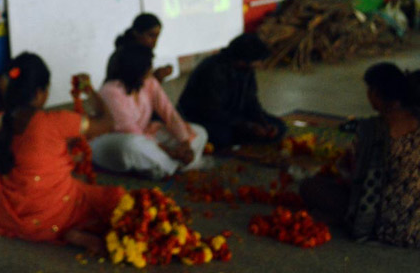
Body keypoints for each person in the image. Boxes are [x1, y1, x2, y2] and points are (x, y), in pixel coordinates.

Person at [0, 53, 125, 251]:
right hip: (51, 216)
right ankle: (69, 229)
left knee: (73, 181)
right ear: (38, 93)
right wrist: (90, 90)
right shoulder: (55, 121)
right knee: (114, 197)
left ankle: (69, 229)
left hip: (8, 218)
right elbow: (107, 123)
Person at [300, 63, 420, 248]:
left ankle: (341, 218)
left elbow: (354, 179)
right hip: (417, 227)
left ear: (375, 93)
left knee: (310, 186)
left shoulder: (371, 129)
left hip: (383, 225)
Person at [89, 44, 208, 179]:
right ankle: (174, 166)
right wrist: (169, 151)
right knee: (132, 145)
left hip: (146, 136)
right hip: (115, 140)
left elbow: (168, 112)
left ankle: (164, 166)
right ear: (136, 68)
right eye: (148, 66)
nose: (151, 70)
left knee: (199, 132)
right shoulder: (111, 91)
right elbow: (130, 129)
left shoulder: (148, 82)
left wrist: (185, 143)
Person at [176, 33, 285, 149]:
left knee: (278, 126)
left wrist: (263, 122)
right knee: (223, 136)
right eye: (259, 61)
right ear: (244, 60)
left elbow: (251, 101)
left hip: (233, 117)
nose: (261, 65)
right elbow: (211, 111)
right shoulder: (212, 69)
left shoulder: (246, 70)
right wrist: (247, 126)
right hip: (202, 120)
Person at [105, 13, 172, 83]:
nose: (155, 41)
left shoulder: (143, 53)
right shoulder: (126, 56)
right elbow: (134, 88)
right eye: (151, 35)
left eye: (157, 36)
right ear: (137, 33)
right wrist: (156, 77)